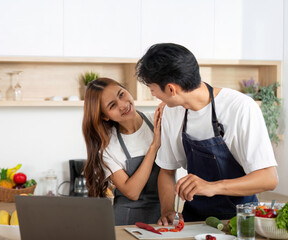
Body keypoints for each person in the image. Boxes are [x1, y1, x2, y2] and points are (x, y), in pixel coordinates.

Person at [135, 43, 279, 224]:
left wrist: (212, 187)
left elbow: (268, 178)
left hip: (240, 221)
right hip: (194, 221)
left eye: (152, 88)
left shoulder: (240, 108)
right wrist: (167, 210)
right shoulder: (172, 112)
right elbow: (167, 170)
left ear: (171, 89)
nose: (153, 93)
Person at [82, 78, 164, 225]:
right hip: (127, 221)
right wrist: (154, 147)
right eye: (112, 105)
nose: (122, 105)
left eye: (121, 94)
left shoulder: (158, 120)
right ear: (104, 116)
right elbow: (132, 192)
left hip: (163, 216)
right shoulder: (107, 146)